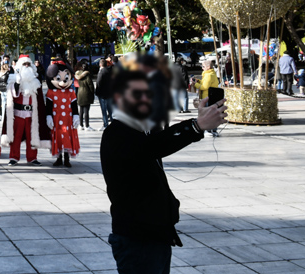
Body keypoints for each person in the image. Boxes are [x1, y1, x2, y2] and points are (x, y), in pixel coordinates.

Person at [101, 69, 227, 274]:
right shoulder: (118, 133)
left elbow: (160, 139)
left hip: (153, 234)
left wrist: (199, 121)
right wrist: (196, 126)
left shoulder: (141, 128)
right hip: (138, 239)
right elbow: (156, 145)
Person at [194, 60, 220, 137]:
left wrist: (196, 85)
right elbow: (205, 83)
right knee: (212, 114)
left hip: (207, 97)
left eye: (203, 66)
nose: (202, 68)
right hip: (211, 97)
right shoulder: (210, 74)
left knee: (207, 114)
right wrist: (198, 81)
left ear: (208, 67)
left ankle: (208, 130)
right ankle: (213, 130)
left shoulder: (209, 75)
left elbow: (204, 87)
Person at [75, 61, 95, 131]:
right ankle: (87, 126)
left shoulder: (78, 75)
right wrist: (93, 93)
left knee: (81, 110)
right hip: (86, 93)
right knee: (86, 111)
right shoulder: (87, 75)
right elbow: (90, 85)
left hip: (80, 92)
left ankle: (81, 125)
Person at [95, 59, 114, 129]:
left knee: (104, 110)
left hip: (102, 94)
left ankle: (105, 124)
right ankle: (113, 123)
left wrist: (97, 92)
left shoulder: (101, 72)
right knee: (110, 110)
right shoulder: (110, 71)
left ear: (100, 64)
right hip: (109, 93)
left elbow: (99, 83)